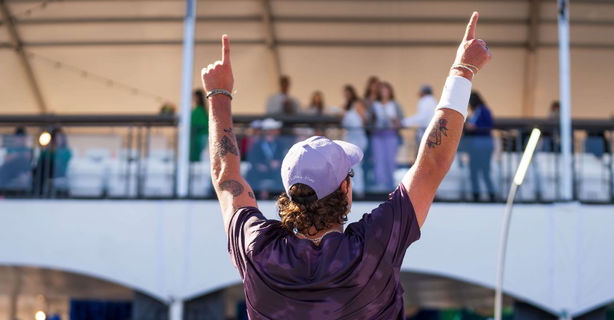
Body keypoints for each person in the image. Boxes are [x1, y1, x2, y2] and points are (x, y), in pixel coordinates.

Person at [200, 10, 489, 318]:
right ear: (345, 188)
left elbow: (224, 176)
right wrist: (463, 69)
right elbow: (431, 164)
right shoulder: (372, 247)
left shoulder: (259, 249)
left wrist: (219, 95)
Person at [370, 81, 404, 191]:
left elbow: (401, 120)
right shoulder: (374, 105)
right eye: (382, 90)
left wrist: (395, 122)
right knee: (379, 160)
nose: (384, 92)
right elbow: (369, 120)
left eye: (386, 90)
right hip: (377, 135)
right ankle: (380, 183)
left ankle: (391, 184)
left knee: (390, 160)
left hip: (390, 135)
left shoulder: (395, 105)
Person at [465, 91, 496, 201]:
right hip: (475, 147)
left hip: (483, 145)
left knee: (485, 171)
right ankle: (476, 194)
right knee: (473, 171)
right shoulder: (474, 113)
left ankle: (491, 194)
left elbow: (488, 125)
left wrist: (475, 127)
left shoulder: (484, 110)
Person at [245, 118, 285, 200]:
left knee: (281, 175)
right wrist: (259, 165)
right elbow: (252, 158)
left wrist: (278, 163)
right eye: (272, 130)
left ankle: (279, 197)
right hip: (261, 170)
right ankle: (255, 196)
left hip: (275, 170)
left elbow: (283, 157)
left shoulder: (280, 144)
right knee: (251, 174)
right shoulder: (257, 144)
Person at [341, 88, 368, 196]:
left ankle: (359, 189)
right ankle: (353, 189)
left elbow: (364, 120)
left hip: (358, 138)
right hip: (350, 138)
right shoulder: (345, 108)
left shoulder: (357, 104)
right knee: (350, 166)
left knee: (357, 164)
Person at [190, 89, 209, 163]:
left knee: (196, 156)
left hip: (199, 137)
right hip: (197, 136)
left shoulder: (200, 110)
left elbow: (202, 124)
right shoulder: (197, 109)